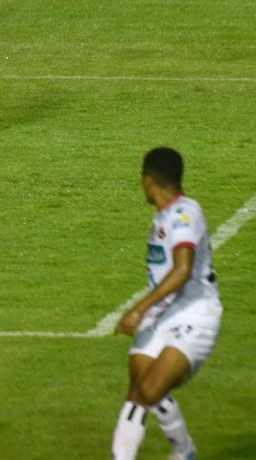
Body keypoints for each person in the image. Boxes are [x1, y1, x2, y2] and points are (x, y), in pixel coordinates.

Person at [110, 147, 222, 460]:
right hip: (163, 314)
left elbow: (183, 269)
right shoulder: (164, 215)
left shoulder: (185, 214)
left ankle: (184, 450)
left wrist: (138, 308)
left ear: (148, 180)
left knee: (149, 390)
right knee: (138, 388)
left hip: (196, 314)